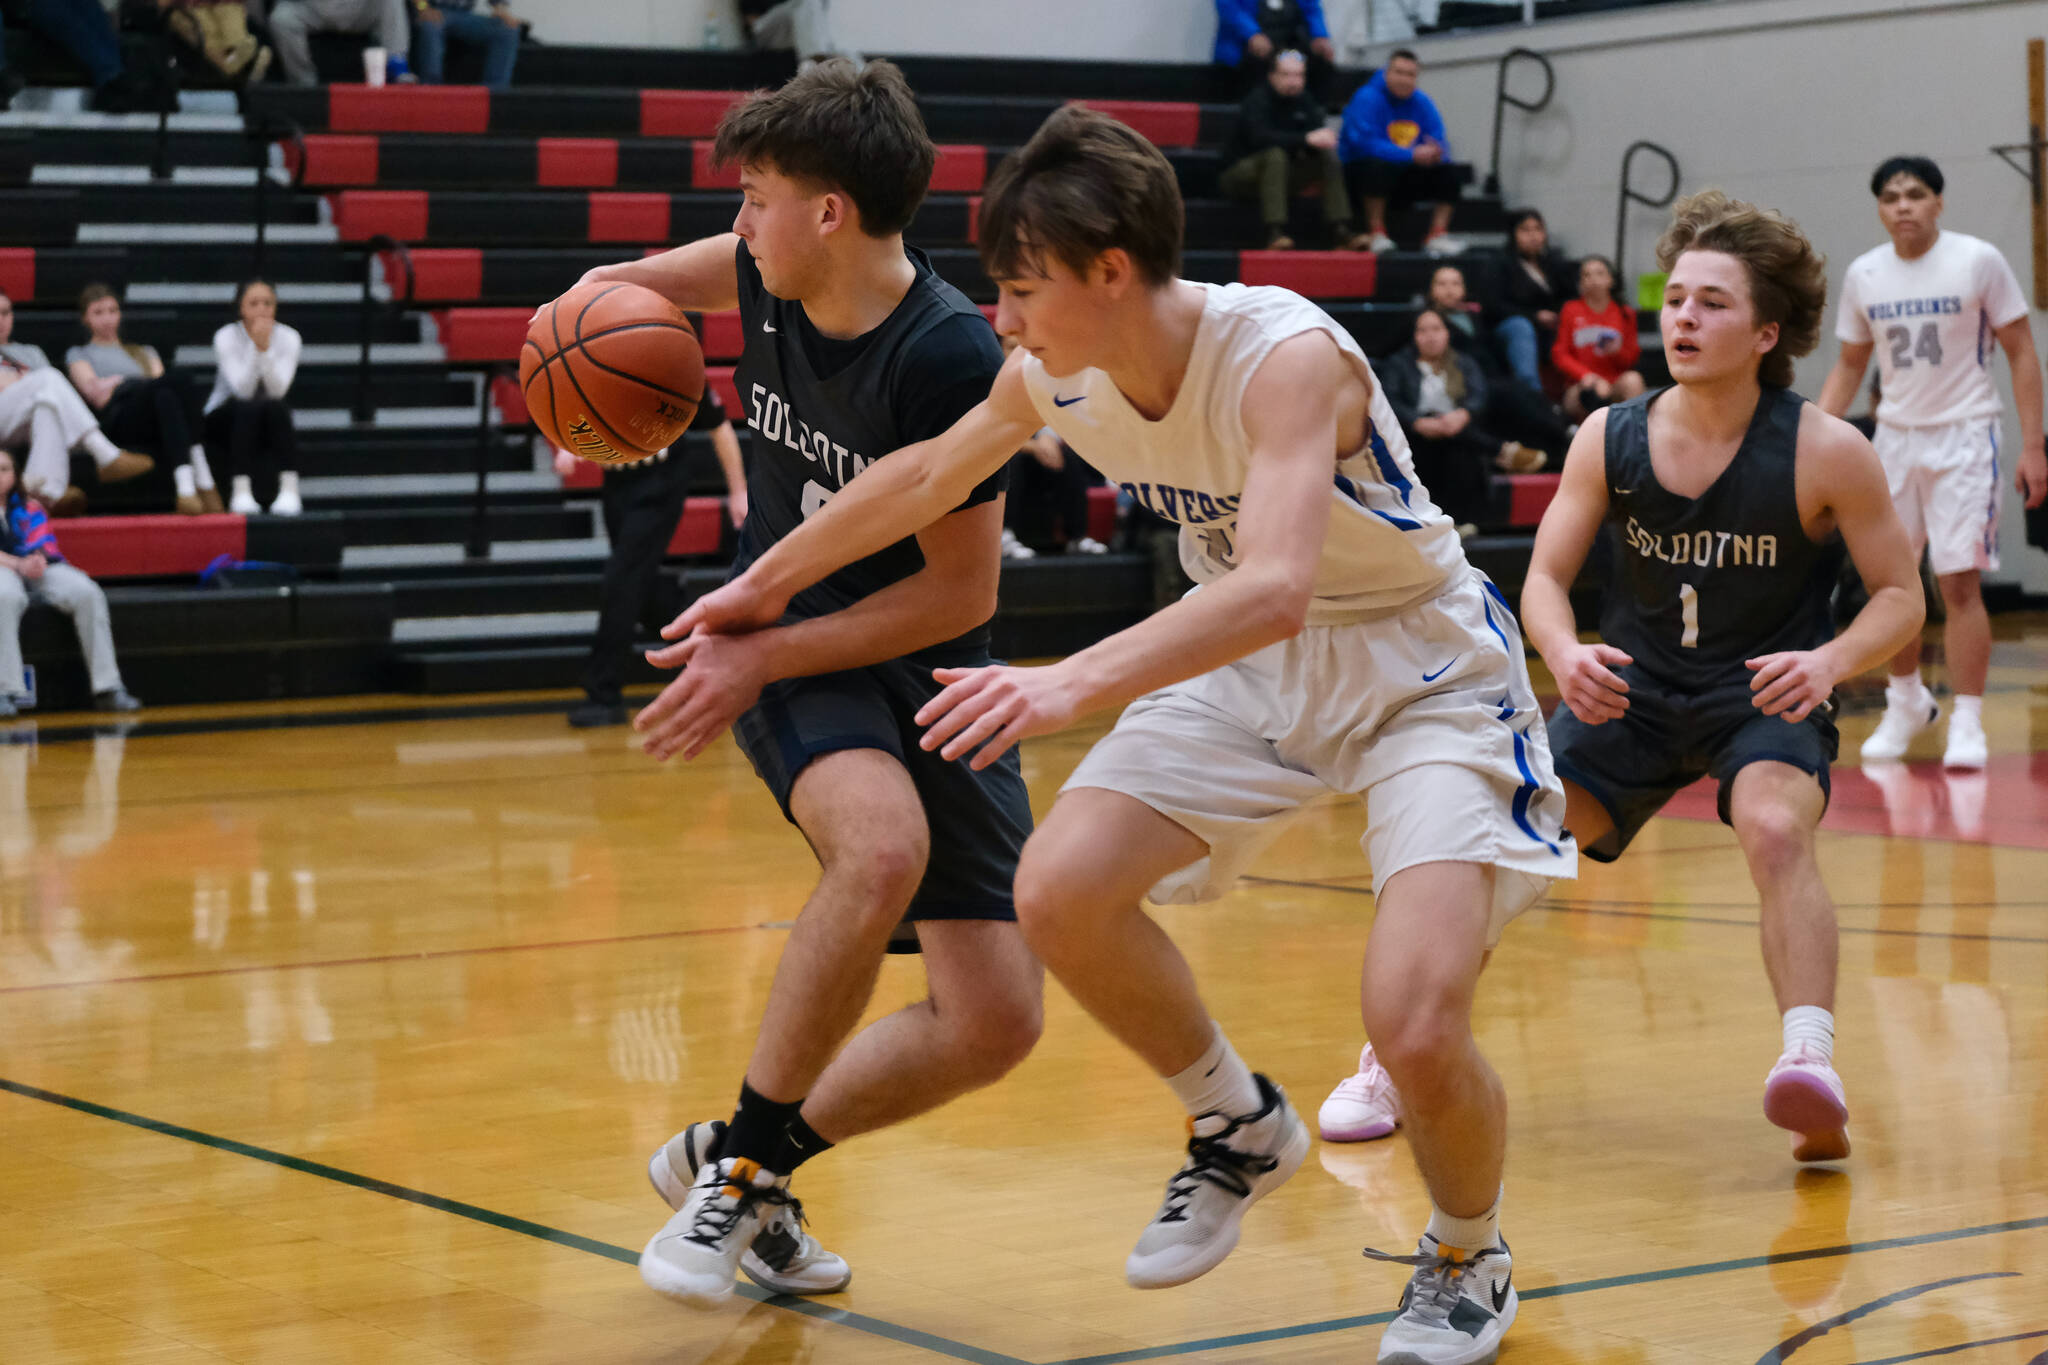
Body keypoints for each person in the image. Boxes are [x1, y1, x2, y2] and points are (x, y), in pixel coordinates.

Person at [672, 105, 1578, 1365]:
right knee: (1058, 890)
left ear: (1110, 271)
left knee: (1412, 1022)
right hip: (1253, 666)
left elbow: (1270, 582)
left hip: (1415, 665)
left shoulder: (1282, 356)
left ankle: (1464, 1254)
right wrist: (759, 586)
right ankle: (1234, 1123)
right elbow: (925, 476)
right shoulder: (1053, 366)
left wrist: (1065, 684)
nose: (1002, 317)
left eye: (1023, 286)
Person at [574, 60, 1041, 1307]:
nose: (736, 221)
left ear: (827, 212)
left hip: (904, 654)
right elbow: (619, 289)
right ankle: (736, 1184)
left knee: (993, 1022)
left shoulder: (944, 353)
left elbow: (962, 599)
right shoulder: (756, 266)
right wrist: (576, 324)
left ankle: (748, 1166)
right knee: (876, 848)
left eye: (755, 196)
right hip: (789, 633)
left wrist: (757, 649)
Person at [1522, 191, 1923, 1165]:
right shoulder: (1606, 437)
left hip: (1760, 693)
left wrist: (1829, 660)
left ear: (1764, 333)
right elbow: (1540, 580)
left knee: (1776, 828)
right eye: (1672, 301)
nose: (1681, 320)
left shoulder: (1826, 450)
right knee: (1504, 836)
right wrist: (1564, 654)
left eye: (1710, 303)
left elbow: (1899, 597)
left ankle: (1809, 1062)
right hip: (1631, 689)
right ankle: (1391, 1055)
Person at [1816, 155, 2047, 770]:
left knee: (1958, 581)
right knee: (1891, 581)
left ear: (1938, 203)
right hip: (1894, 440)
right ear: (1880, 209)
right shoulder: (1866, 273)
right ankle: (1906, 699)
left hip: (1967, 434)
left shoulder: (1977, 261)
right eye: (1891, 197)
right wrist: (1806, 436)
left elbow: (2022, 352)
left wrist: (2033, 445)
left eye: (1916, 194)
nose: (1904, 206)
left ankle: (1967, 718)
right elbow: (1849, 365)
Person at [563, 383, 747, 729]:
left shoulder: (671, 363)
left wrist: (738, 492)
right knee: (641, 590)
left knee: (621, 580)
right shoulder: (599, 356)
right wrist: (566, 445)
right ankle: (711, 649)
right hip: (616, 485)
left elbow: (719, 425)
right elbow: (569, 404)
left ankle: (604, 695)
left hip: (660, 484)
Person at [0, 449, 143, 717]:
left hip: (37, 564)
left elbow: (42, 544)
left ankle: (108, 688)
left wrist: (36, 560)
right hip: (3, 568)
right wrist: (18, 564)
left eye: (4, 469)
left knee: (86, 592)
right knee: (4, 596)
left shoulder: (30, 506)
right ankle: (4, 690)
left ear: (15, 475)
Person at [1378, 307, 1542, 529]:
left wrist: (1463, 415)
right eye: (1422, 331)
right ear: (1413, 336)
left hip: (1458, 432)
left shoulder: (1463, 362)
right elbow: (1391, 402)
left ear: (1447, 333)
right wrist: (1417, 421)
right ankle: (1501, 451)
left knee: (1459, 448)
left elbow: (1479, 395)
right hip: (1416, 435)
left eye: (1436, 329)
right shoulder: (1398, 364)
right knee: (1451, 437)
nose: (1430, 336)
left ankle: (1458, 520)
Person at [66, 285, 220, 516]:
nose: (107, 318)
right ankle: (203, 476)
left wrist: (113, 380)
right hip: (119, 416)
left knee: (167, 394)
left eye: (112, 310)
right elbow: (95, 394)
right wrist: (126, 382)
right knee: (176, 382)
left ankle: (186, 489)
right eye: (98, 312)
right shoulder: (79, 353)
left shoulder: (144, 351)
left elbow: (159, 386)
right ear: (85, 319)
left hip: (153, 412)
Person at [0, 289, 154, 517]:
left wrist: (16, 381)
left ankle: (46, 493)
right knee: (49, 378)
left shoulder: (30, 351)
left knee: (48, 406)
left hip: (20, 420)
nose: (1, 320)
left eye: (5, 312)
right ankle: (103, 452)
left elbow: (50, 394)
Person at [1218, 49, 1366, 252]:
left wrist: (1323, 139)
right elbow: (1259, 138)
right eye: (1286, 74)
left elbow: (1316, 135)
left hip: (1282, 175)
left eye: (1298, 75)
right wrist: (1305, 139)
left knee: (1327, 154)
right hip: (1240, 174)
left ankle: (1340, 229)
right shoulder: (1257, 100)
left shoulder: (1306, 101)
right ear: (1272, 76)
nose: (1293, 81)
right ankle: (1274, 232)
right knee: (1275, 154)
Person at [1426, 263, 1571, 462]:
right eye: (1441, 284)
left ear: (1464, 289)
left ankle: (1560, 443)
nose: (1449, 290)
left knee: (1523, 391)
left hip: (1493, 376)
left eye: (1455, 283)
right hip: (1464, 382)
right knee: (1513, 394)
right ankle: (1566, 436)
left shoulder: (1475, 316)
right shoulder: (1427, 322)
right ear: (1431, 289)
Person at [1337, 49, 1463, 256]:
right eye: (1399, 72)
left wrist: (1437, 152)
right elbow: (1364, 144)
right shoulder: (1366, 98)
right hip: (1360, 174)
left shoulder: (1422, 102)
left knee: (1449, 173)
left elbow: (1438, 138)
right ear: (1387, 72)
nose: (1404, 79)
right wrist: (1411, 155)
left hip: (1405, 173)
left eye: (1410, 75)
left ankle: (1437, 234)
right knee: (1376, 167)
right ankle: (1376, 232)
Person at [204, 280, 304, 517]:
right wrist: (257, 347)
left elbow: (278, 390)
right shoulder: (225, 336)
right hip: (224, 414)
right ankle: (241, 491)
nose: (261, 309)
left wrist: (265, 349)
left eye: (268, 303)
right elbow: (243, 390)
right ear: (241, 308)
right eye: (254, 303)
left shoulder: (290, 337)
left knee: (278, 407)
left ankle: (290, 489)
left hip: (268, 413)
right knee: (247, 407)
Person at [1553, 254, 1646, 421]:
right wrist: (1586, 376)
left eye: (1599, 273)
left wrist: (1617, 352)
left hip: (1614, 381)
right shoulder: (1570, 309)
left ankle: (1635, 437)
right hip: (1580, 384)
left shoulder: (1625, 313)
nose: (1593, 279)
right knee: (1592, 392)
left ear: (1611, 280)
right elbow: (1560, 354)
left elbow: (1632, 357)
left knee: (1634, 380)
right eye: (1586, 275)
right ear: (1580, 282)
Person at [1495, 209, 1573, 392]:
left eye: (1538, 229)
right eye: (1525, 230)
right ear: (1513, 234)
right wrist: (1534, 316)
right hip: (1512, 326)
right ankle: (1533, 394)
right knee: (1521, 326)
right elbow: (1494, 305)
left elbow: (1569, 296)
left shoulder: (1553, 263)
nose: (1533, 236)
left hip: (1551, 326)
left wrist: (1559, 315)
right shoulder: (1500, 264)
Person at [1213, 0, 1337, 104]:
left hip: (1291, 41)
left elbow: (1312, 9)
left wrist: (1320, 36)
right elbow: (1230, 9)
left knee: (1321, 61)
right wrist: (1252, 34)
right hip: (1247, 42)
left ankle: (1314, 116)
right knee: (1256, 61)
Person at [269, 0, 414, 85]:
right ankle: (304, 83)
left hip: (355, 9)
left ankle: (396, 62)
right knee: (281, 19)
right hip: (312, 8)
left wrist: (422, 6)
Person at [413, 0, 521, 92]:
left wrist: (501, 9)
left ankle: (495, 92)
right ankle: (431, 88)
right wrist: (423, 8)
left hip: (464, 15)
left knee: (507, 29)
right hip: (435, 11)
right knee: (430, 26)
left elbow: (498, 4)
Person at [738, 0, 857, 65]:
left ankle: (865, 86)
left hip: (799, 34)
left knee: (846, 54)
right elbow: (751, 20)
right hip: (764, 30)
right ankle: (816, 58)